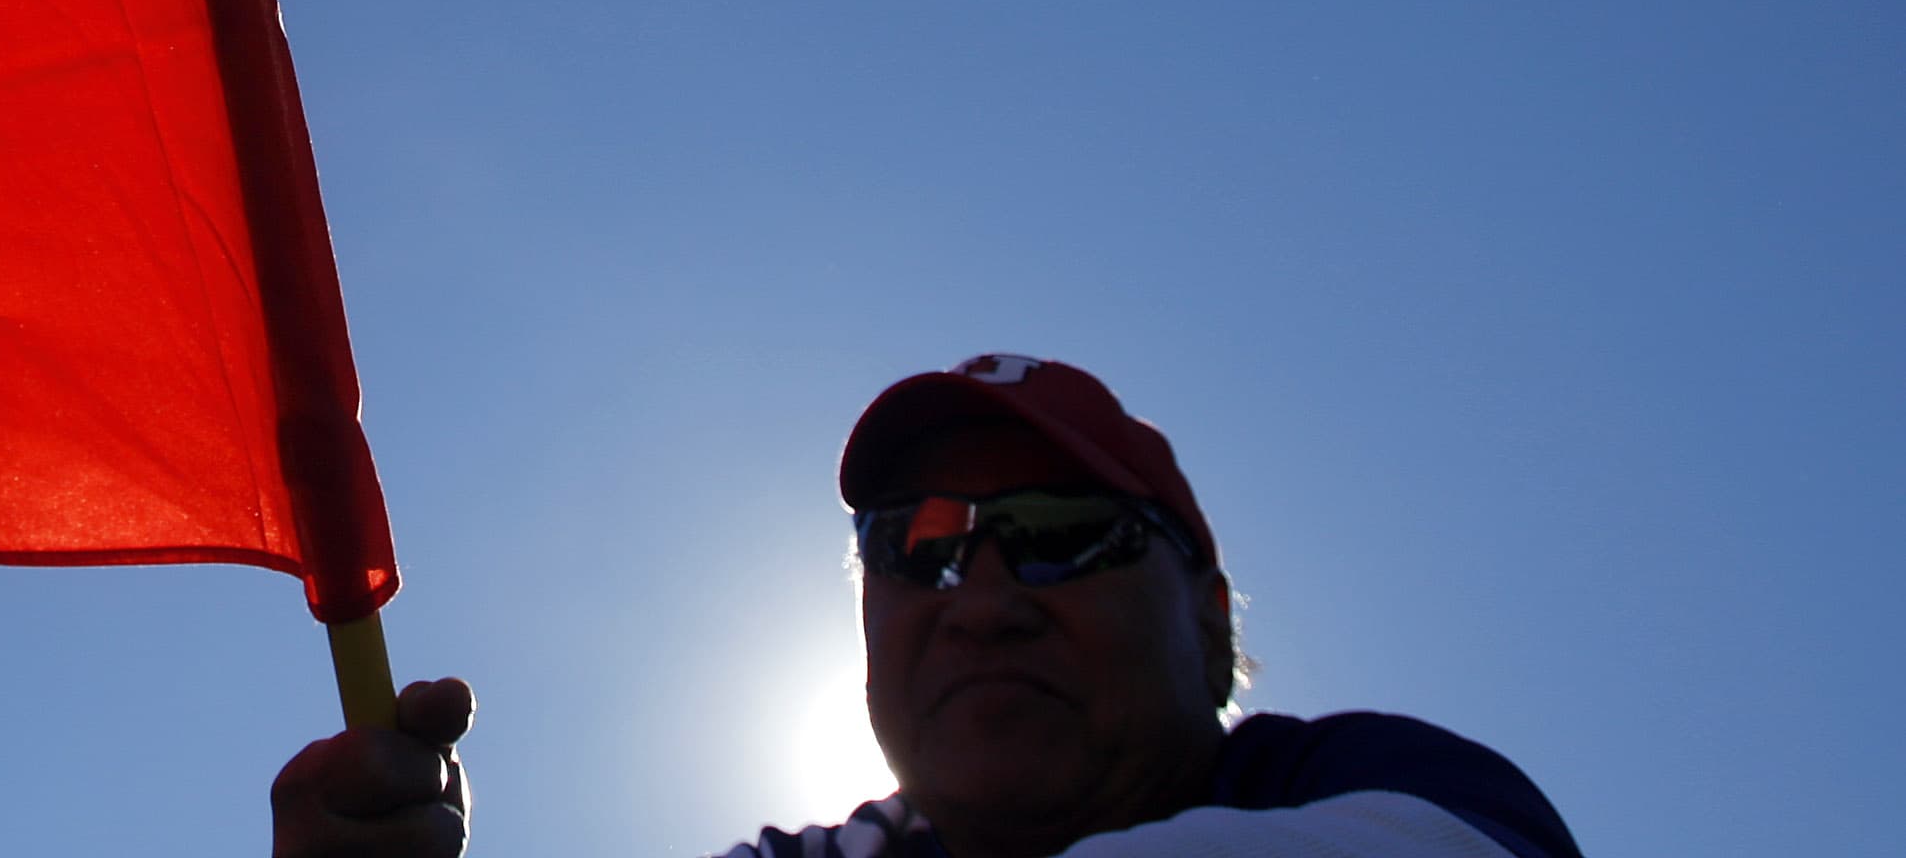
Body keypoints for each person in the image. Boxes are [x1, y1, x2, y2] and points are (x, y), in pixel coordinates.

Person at [269, 354, 1581, 858]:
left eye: (1060, 537)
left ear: (1210, 617)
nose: (983, 600)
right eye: (916, 551)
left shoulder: (1389, 794)